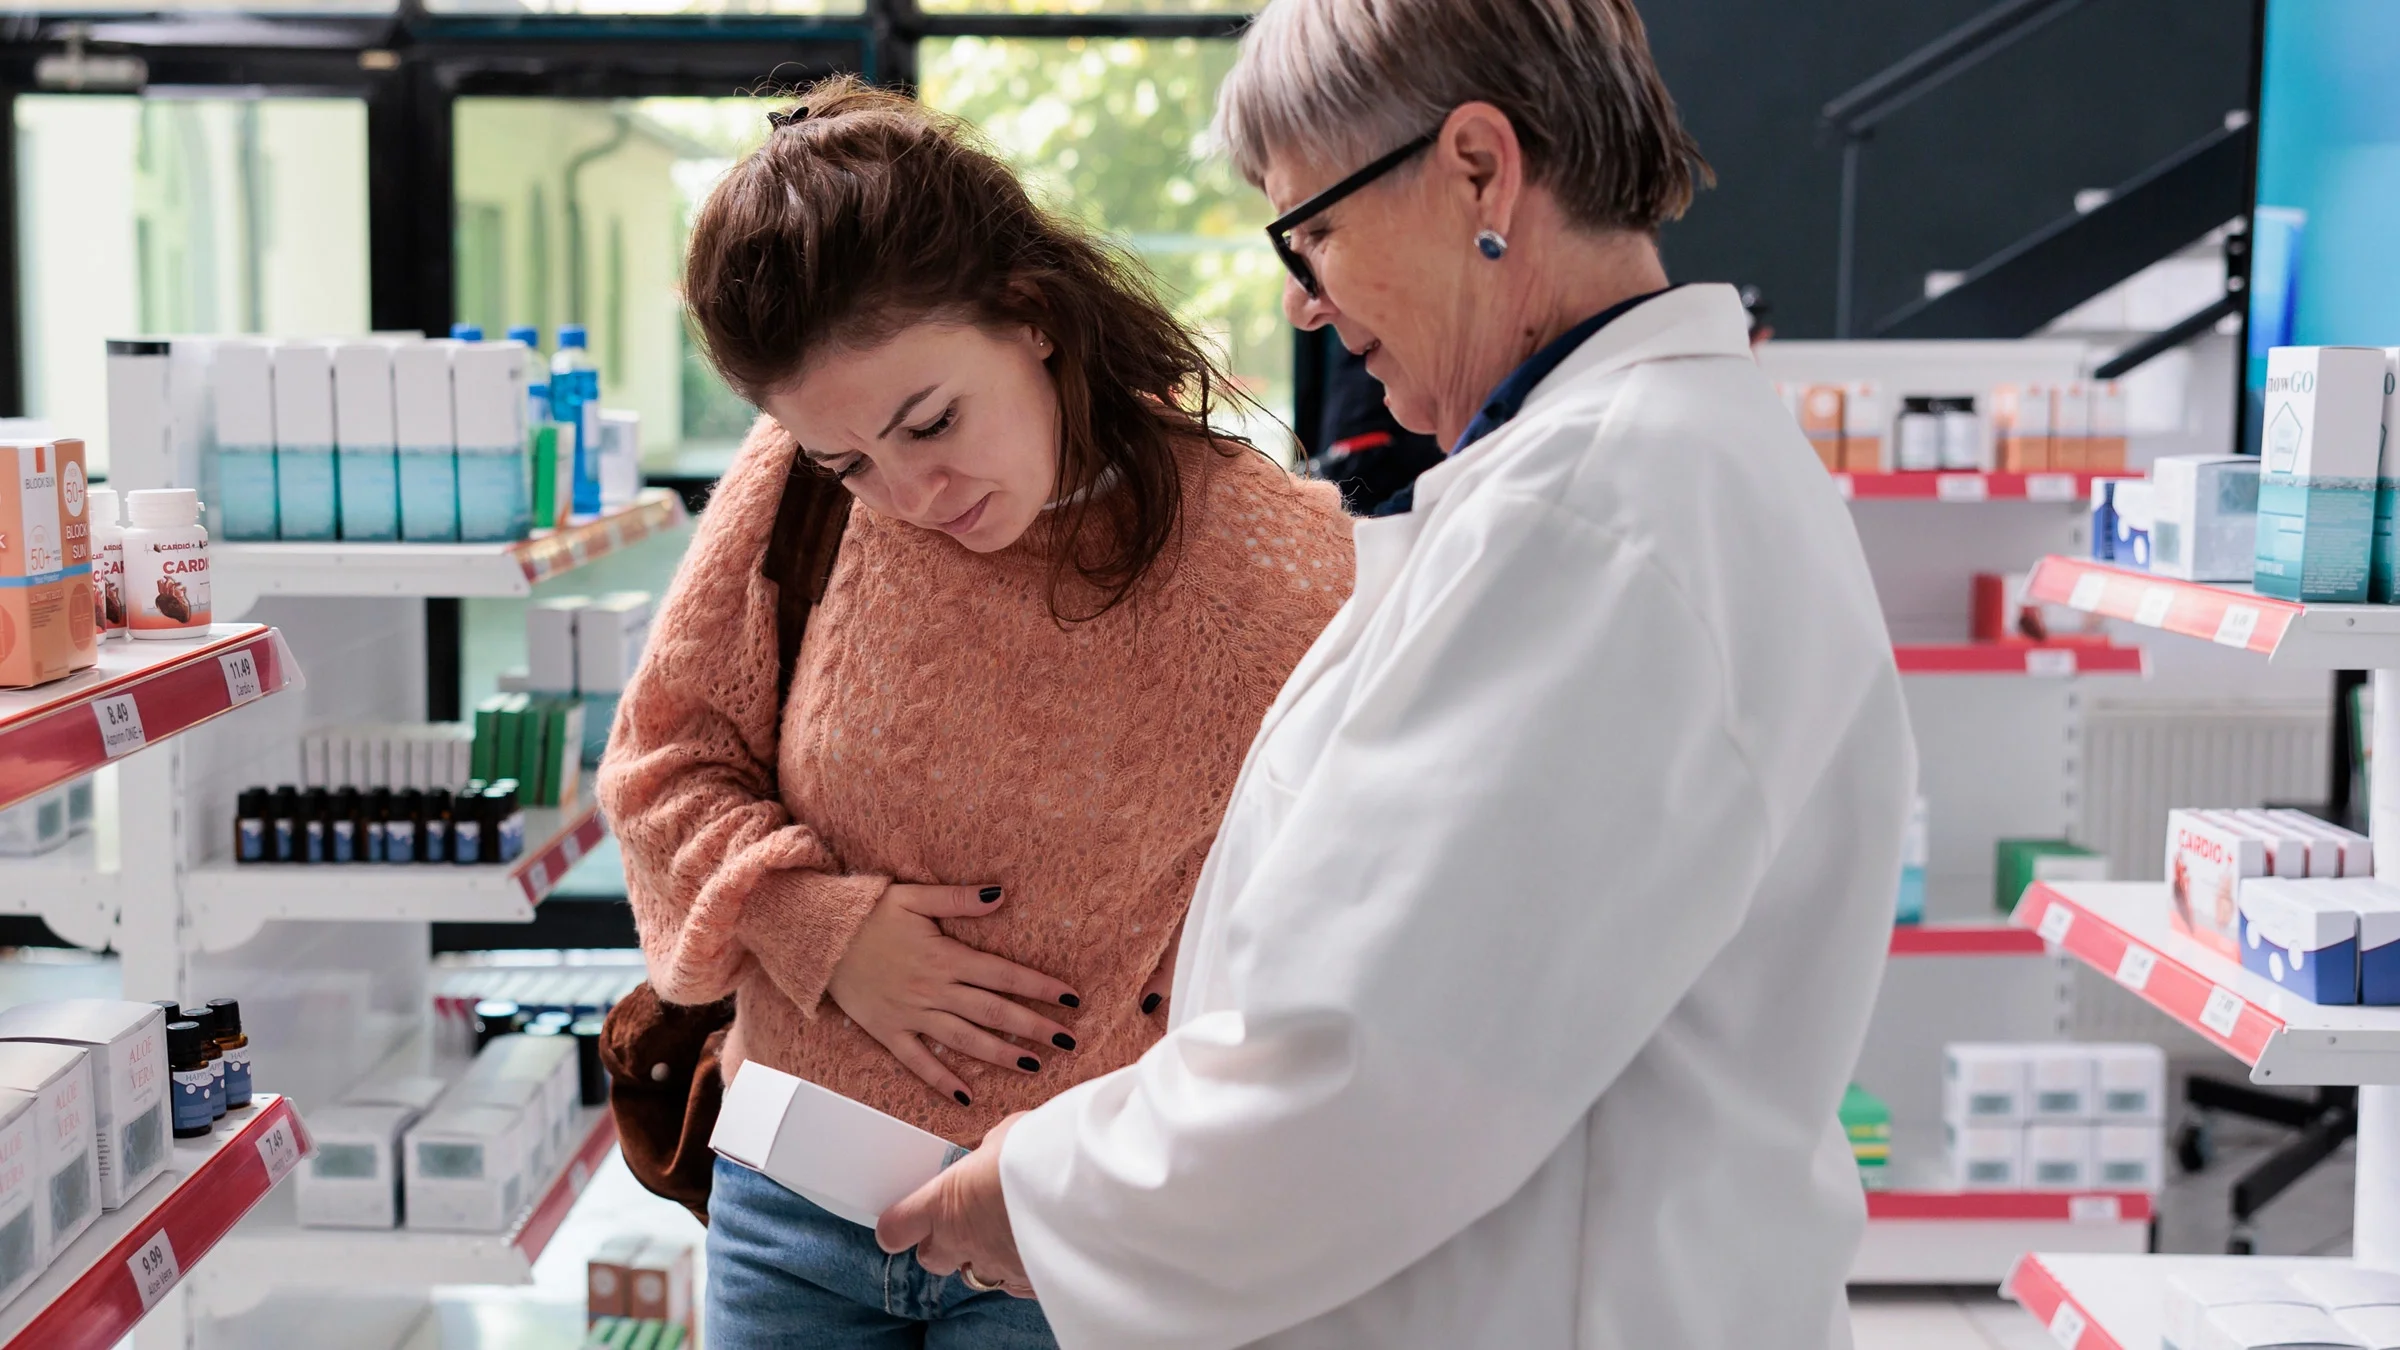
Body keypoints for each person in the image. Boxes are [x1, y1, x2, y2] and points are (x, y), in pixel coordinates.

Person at [875, 1, 1917, 1346]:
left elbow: (1379, 1072)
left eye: (1311, 232)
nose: (1306, 299)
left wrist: (1040, 1192)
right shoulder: (1618, 472)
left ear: (1479, 169)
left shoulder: (1601, 510)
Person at [596, 75, 1353, 1349]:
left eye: (929, 421)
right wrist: (821, 926)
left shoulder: (1271, 562)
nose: (906, 492)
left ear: (1032, 314)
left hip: (1066, 1239)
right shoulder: (799, 487)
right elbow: (662, 764)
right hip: (787, 1210)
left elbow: (1326, 925)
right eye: (851, 461)